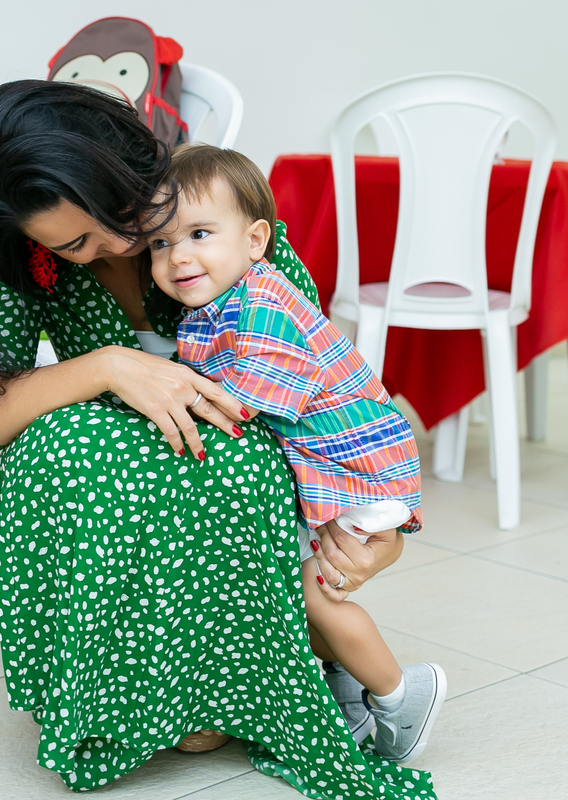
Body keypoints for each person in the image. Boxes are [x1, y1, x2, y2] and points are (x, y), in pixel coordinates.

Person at [0, 79, 436, 799]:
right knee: (63, 454)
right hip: (117, 435)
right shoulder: (14, 253)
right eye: (75, 244)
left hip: (248, 445)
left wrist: (375, 533)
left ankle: (240, 678)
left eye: (116, 214)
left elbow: (320, 380)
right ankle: (128, 689)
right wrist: (110, 366)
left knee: (211, 465)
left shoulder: (211, 204)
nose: (115, 243)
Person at [147, 144, 447, 763]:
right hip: (333, 468)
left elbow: (238, 404)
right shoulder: (214, 306)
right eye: (158, 242)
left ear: (256, 240)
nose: (178, 256)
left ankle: (400, 691)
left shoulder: (265, 306)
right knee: (297, 589)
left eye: (200, 233)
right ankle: (342, 693)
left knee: (313, 595)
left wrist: (151, 398)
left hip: (361, 469)